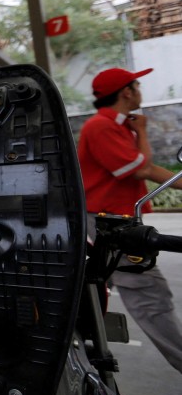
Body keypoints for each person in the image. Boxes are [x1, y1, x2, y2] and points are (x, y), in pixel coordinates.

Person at [77, 67, 182, 376]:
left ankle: (79, 363)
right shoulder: (101, 127)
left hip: (113, 223)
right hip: (109, 226)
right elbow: (140, 170)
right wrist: (144, 132)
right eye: (137, 85)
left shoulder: (118, 126)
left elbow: (146, 169)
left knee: (88, 296)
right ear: (126, 92)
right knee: (150, 298)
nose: (140, 90)